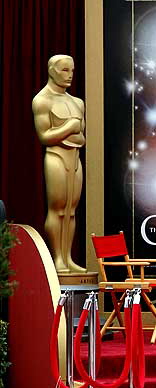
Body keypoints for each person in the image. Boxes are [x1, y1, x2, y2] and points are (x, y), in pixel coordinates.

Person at [32, 55, 86, 274]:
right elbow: (45, 136)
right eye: (64, 70)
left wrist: (70, 130)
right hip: (55, 156)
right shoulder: (42, 100)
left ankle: (68, 257)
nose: (70, 74)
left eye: (71, 70)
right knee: (57, 209)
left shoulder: (77, 102)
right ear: (52, 70)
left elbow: (81, 137)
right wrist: (69, 128)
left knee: (71, 210)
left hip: (75, 157)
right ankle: (57, 259)